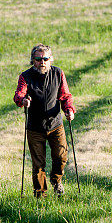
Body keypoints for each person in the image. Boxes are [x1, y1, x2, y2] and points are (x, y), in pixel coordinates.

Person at [13, 44, 76, 198]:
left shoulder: (58, 73)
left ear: (50, 59)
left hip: (55, 124)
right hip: (35, 127)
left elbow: (65, 96)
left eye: (45, 58)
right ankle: (40, 195)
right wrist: (23, 101)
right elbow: (18, 95)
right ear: (32, 61)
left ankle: (56, 180)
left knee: (61, 156)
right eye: (38, 59)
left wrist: (68, 110)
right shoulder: (25, 76)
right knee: (38, 163)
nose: (42, 62)